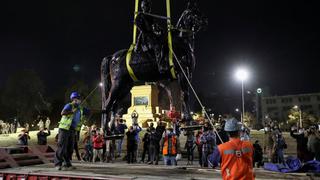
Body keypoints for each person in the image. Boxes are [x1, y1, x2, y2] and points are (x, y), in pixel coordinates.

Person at [54, 91, 90, 171]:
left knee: (70, 148)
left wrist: (104, 110)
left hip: (72, 130)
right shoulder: (69, 106)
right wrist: (71, 112)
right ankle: (58, 164)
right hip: (64, 129)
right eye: (77, 99)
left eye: (79, 99)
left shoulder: (81, 108)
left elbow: (90, 111)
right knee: (62, 146)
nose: (79, 101)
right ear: (73, 100)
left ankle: (67, 164)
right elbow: (62, 113)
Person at [135, 0, 167, 73]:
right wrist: (147, 29)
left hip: (152, 35)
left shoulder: (150, 17)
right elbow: (138, 25)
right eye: (147, 7)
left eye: (149, 7)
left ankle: (165, 60)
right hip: (145, 37)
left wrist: (159, 29)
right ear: (143, 7)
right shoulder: (140, 16)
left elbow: (155, 25)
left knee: (164, 42)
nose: (149, 9)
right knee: (157, 46)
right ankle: (160, 66)